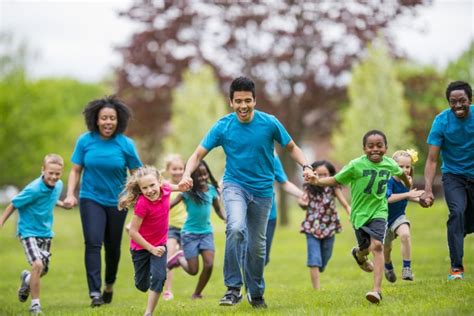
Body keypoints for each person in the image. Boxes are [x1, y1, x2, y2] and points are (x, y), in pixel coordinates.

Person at [179, 76, 312, 309]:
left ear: (255, 100)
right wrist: (185, 175)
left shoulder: (269, 123)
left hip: (262, 192)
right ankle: (232, 288)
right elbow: (198, 154)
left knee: (257, 247)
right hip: (234, 186)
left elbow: (292, 147)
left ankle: (256, 292)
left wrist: (307, 167)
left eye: (247, 101)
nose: (243, 106)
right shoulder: (223, 126)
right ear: (231, 102)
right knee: (236, 227)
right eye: (238, 101)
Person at [306, 130, 410, 304]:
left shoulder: (390, 164)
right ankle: (359, 255)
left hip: (379, 211)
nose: (375, 149)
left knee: (377, 246)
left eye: (379, 145)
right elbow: (336, 180)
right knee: (365, 247)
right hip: (360, 215)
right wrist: (317, 181)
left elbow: (401, 173)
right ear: (364, 149)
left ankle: (376, 291)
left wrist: (408, 184)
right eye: (370, 146)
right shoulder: (355, 165)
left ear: (386, 148)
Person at [63, 95, 143, 307]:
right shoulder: (85, 141)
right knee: (92, 242)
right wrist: (70, 193)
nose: (108, 122)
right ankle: (94, 293)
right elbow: (75, 170)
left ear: (119, 121)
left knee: (113, 247)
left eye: (112, 118)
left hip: (118, 202)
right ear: (96, 120)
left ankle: (109, 284)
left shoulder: (126, 144)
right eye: (104, 118)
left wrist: (138, 198)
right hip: (91, 198)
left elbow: (137, 173)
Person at [419, 81, 474, 281]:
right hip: (453, 176)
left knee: (466, 223)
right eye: (453, 101)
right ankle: (456, 268)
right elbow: (432, 159)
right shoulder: (441, 121)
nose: (458, 105)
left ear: (470, 100)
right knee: (457, 213)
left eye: (462, 101)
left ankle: (460, 230)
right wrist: (427, 189)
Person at [0, 154, 66, 315]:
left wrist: (63, 204)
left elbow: (50, 198)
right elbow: (13, 204)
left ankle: (27, 279)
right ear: (43, 170)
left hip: (46, 232)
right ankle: (35, 306)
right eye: (50, 173)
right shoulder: (33, 188)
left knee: (42, 270)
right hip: (28, 231)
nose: (54, 176)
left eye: (57, 174)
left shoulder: (58, 185)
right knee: (37, 265)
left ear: (61, 173)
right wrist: (1, 222)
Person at [119, 165, 187, 316]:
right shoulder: (142, 204)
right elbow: (133, 232)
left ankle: (148, 312)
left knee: (159, 277)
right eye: (145, 188)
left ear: (159, 182)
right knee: (142, 285)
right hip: (140, 248)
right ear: (140, 190)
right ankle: (147, 277)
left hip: (160, 245)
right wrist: (151, 248)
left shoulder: (166, 189)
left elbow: (178, 187)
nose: (150, 190)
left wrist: (184, 185)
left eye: (152, 185)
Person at [167, 160, 226, 299]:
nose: (203, 178)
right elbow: (169, 206)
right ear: (192, 177)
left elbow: (217, 209)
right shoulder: (187, 192)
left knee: (209, 264)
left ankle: (197, 293)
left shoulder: (211, 190)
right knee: (193, 270)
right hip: (189, 234)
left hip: (206, 233)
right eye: (199, 176)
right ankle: (179, 257)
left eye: (205, 174)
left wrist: (226, 218)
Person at [300, 160, 351, 290]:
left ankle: (320, 266)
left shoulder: (333, 187)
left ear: (331, 175)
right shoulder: (308, 187)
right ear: (313, 174)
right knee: (314, 259)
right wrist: (302, 203)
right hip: (312, 227)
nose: (321, 178)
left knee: (325, 256)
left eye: (325, 174)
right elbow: (302, 201)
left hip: (329, 226)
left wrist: (348, 210)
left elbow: (343, 201)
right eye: (319, 174)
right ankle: (317, 290)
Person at [384, 150, 424, 283]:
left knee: (405, 235)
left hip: (398, 217)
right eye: (400, 167)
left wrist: (420, 201)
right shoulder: (388, 181)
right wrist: (408, 194)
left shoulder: (408, 181)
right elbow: (388, 198)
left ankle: (407, 268)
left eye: (407, 166)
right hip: (383, 220)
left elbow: (408, 196)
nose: (404, 170)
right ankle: (388, 266)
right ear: (393, 166)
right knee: (387, 249)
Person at [265, 153, 304, 265]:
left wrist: (303, 195)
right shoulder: (242, 151)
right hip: (247, 213)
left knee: (262, 256)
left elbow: (284, 183)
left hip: (269, 215)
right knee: (248, 252)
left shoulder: (272, 157)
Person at [161, 154, 186, 301]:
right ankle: (167, 291)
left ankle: (179, 256)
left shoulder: (187, 186)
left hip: (187, 228)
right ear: (168, 169)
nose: (177, 171)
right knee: (168, 257)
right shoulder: (165, 186)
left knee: (189, 259)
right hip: (170, 227)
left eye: (180, 168)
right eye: (174, 169)